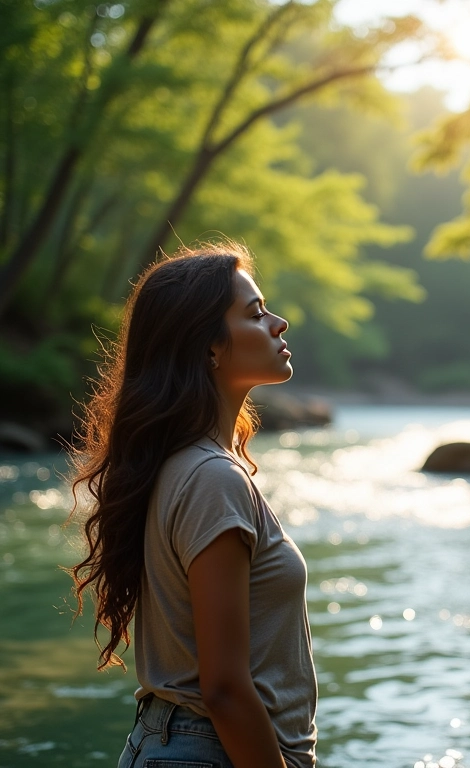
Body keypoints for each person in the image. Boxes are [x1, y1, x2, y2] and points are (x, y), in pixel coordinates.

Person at [67, 243, 317, 768]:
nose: (280, 323)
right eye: (255, 314)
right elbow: (223, 687)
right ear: (209, 348)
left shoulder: (183, 464)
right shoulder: (211, 479)